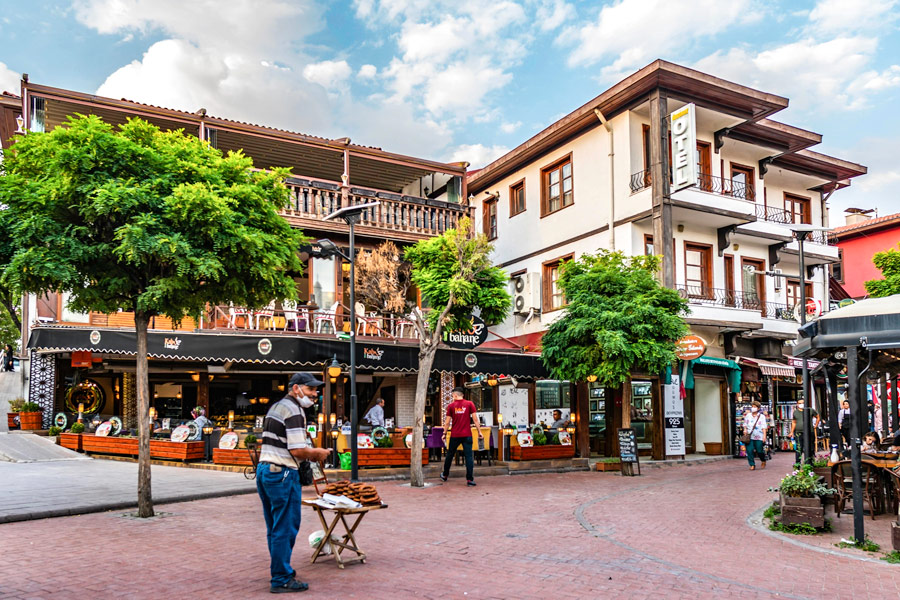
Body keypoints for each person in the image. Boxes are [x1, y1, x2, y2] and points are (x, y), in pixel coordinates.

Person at [256, 372, 331, 594]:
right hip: (283, 472)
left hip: (266, 470)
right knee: (285, 527)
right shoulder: (295, 411)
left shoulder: (277, 407)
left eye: (316, 390)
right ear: (296, 388)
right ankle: (281, 577)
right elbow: (297, 450)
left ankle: (280, 569)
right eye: (310, 389)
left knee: (274, 526)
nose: (314, 394)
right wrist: (318, 453)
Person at [440, 387, 485, 487]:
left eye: (452, 395)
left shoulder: (451, 406)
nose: (453, 397)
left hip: (455, 435)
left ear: (455, 395)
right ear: (463, 395)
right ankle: (470, 479)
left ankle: (445, 475)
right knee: (469, 456)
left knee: (450, 455)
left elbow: (447, 422)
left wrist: (444, 433)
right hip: (467, 434)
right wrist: (479, 432)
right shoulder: (470, 404)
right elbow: (475, 419)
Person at [789, 398, 819, 463]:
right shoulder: (795, 412)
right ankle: (797, 463)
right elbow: (794, 422)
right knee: (799, 448)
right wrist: (791, 432)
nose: (801, 404)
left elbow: (818, 416)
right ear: (797, 404)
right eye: (800, 403)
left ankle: (810, 462)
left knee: (810, 448)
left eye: (802, 403)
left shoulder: (810, 410)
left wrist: (816, 425)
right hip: (798, 433)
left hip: (809, 432)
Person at [743, 401, 767, 471]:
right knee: (749, 450)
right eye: (752, 407)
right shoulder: (748, 415)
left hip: (759, 436)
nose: (753, 408)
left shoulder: (762, 417)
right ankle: (752, 464)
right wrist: (745, 430)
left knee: (759, 450)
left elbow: (764, 427)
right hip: (749, 436)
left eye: (755, 407)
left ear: (758, 408)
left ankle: (763, 460)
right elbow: (745, 424)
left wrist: (764, 436)